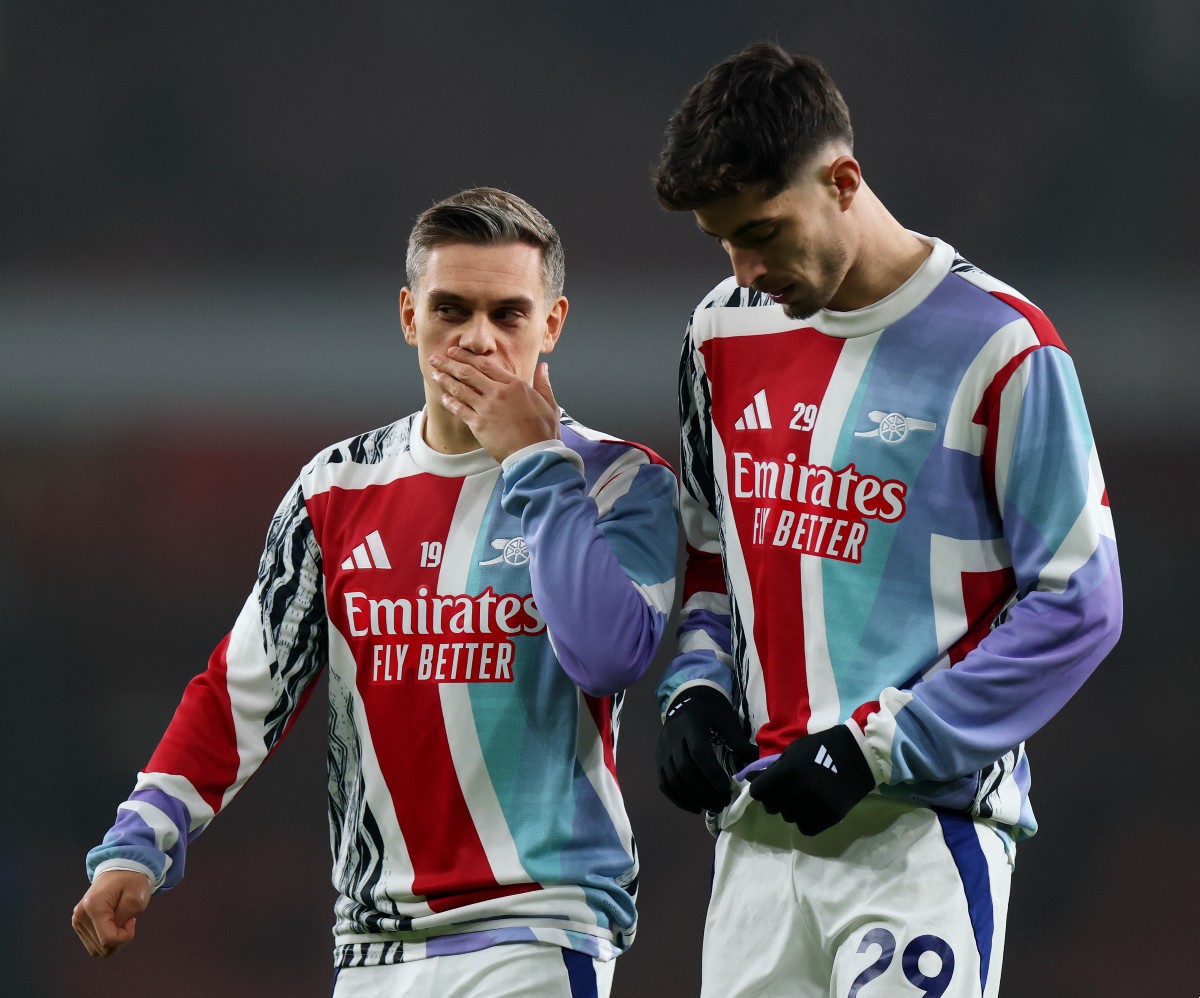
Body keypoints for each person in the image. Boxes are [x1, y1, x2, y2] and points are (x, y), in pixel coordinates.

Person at [71, 187, 679, 998]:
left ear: (553, 324)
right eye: (451, 309)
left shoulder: (619, 483)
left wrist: (533, 462)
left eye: (508, 314)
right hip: (373, 946)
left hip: (537, 932)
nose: (476, 340)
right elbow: (242, 691)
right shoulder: (336, 489)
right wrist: (137, 840)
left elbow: (607, 656)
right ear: (407, 315)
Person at [651, 43, 1121, 998]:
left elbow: (1081, 602)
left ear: (844, 179)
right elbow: (712, 544)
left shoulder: (1002, 348)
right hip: (757, 841)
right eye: (724, 241)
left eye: (766, 231)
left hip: (921, 838)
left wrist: (876, 748)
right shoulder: (721, 331)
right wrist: (696, 682)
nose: (747, 266)